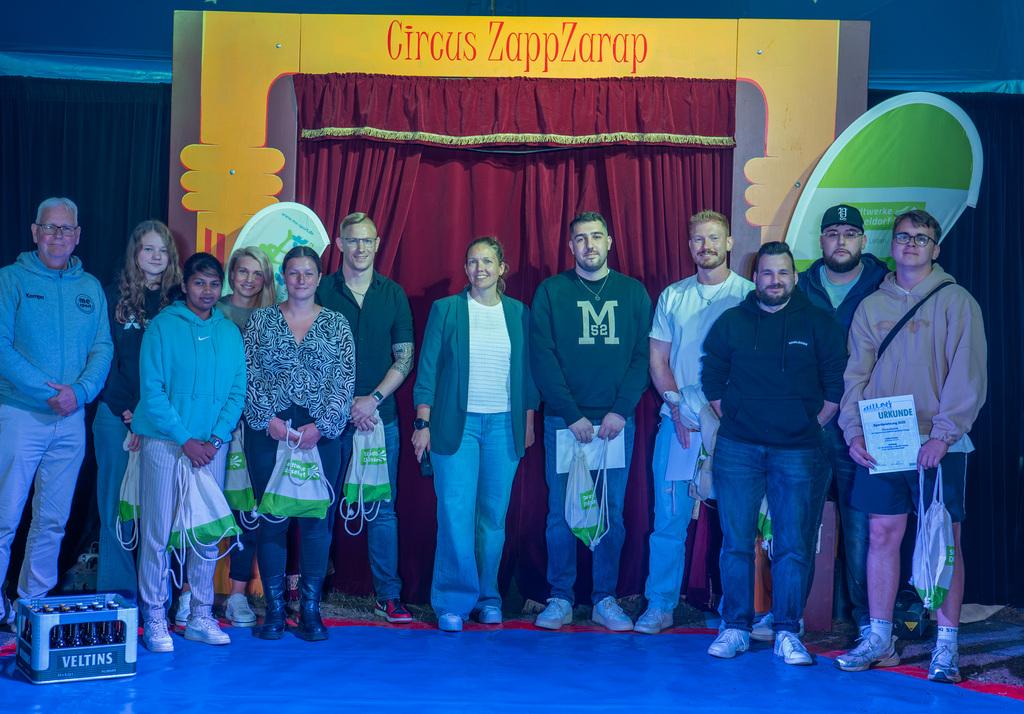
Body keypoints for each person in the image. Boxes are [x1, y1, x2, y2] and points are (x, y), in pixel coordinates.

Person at [835, 210, 987, 683]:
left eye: (922, 238)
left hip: (939, 442)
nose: (911, 244)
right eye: (903, 237)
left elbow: (968, 374)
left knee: (944, 541)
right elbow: (855, 375)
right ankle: (880, 638)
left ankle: (946, 646)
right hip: (884, 438)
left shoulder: (958, 301)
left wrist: (943, 434)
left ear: (936, 249)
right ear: (892, 244)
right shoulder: (871, 306)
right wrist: (854, 431)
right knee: (882, 534)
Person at [701, 241, 846, 665]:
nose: (775, 280)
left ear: (794, 277)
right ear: (756, 277)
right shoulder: (732, 322)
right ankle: (736, 627)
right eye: (767, 273)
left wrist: (808, 424)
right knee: (735, 543)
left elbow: (835, 385)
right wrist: (735, 417)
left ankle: (787, 631)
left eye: (783, 273)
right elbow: (713, 378)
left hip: (799, 451)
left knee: (793, 544)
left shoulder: (819, 323)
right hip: (738, 448)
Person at [765, 203, 885, 642]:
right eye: (832, 233)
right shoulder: (799, 286)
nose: (841, 241)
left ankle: (868, 621)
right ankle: (788, 618)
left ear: (863, 240)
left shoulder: (885, 285)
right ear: (821, 240)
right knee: (795, 525)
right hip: (808, 427)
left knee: (863, 531)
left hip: (862, 428)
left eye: (849, 234)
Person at [530, 210, 651, 632]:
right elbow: (542, 357)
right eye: (581, 239)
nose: (589, 245)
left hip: (616, 423)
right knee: (560, 512)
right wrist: (571, 414)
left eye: (596, 237)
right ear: (570, 246)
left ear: (609, 242)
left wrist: (620, 410)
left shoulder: (633, 293)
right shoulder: (551, 292)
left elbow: (643, 356)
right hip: (565, 423)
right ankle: (560, 597)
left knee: (611, 511)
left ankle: (605, 599)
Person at [412, 237, 538, 632]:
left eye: (487, 261)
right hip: (456, 426)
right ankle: (452, 601)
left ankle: (488, 598)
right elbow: (428, 368)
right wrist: (422, 422)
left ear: (502, 268)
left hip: (504, 426)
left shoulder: (518, 312)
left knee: (493, 518)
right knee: (455, 514)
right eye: (472, 262)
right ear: (465, 268)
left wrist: (528, 420)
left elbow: (528, 371)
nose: (479, 268)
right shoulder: (446, 309)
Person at [635, 210, 752, 635]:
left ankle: (735, 611)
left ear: (729, 243)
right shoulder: (673, 296)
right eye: (699, 239)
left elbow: (755, 364)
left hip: (733, 428)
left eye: (714, 238)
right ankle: (660, 605)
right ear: (690, 247)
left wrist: (721, 414)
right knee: (668, 519)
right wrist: (677, 406)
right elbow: (658, 360)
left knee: (736, 524)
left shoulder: (748, 296)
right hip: (679, 424)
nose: (706, 246)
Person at [0, 197, 112, 624]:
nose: (57, 236)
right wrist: (46, 391)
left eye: (66, 229)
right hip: (19, 415)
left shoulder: (90, 288)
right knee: (5, 518)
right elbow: (1, 347)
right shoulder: (10, 280)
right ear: (35, 232)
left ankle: (31, 605)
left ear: (77, 236)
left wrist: (79, 393)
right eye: (49, 227)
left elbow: (102, 348)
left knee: (52, 521)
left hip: (70, 420)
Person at [131, 252, 246, 653]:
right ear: (184, 285)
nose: (207, 291)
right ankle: (155, 616)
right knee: (157, 532)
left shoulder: (229, 333)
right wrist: (185, 439)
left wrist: (214, 440)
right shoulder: (163, 327)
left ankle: (199, 614)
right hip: (166, 444)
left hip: (210, 449)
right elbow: (152, 391)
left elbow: (236, 393)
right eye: (199, 283)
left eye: (214, 284)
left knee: (205, 532)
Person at [244, 246, 355, 641]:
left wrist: (321, 428)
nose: (301, 280)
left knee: (316, 523)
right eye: (294, 273)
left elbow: (344, 381)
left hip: (319, 438)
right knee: (272, 521)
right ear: (283, 278)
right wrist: (267, 420)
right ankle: (274, 610)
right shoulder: (261, 321)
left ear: (319, 278)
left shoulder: (337, 324)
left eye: (309, 273)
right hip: (269, 434)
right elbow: (248, 374)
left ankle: (309, 609)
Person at [316, 212, 414, 624]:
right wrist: (343, 404)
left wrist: (371, 400)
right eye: (353, 240)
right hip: (327, 419)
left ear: (377, 244)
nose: (360, 247)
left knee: (382, 509)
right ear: (339, 244)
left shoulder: (393, 294)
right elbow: (309, 355)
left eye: (367, 240)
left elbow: (404, 358)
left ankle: (388, 596)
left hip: (380, 417)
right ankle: (309, 593)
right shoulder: (321, 289)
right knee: (319, 504)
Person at [93, 220, 181, 600]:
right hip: (117, 416)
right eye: (148, 249)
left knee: (160, 511)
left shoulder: (178, 301)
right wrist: (128, 409)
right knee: (116, 508)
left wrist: (149, 412)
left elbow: (179, 366)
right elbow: (103, 358)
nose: (156, 257)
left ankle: (156, 598)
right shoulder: (112, 296)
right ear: (135, 253)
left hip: (162, 421)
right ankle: (120, 597)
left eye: (162, 250)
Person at [215, 246, 276, 628]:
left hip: (255, 426)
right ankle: (189, 592)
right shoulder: (213, 310)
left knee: (249, 511)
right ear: (231, 273)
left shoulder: (274, 318)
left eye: (257, 273)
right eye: (243, 271)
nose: (249, 280)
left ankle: (237, 595)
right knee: (202, 505)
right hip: (213, 423)